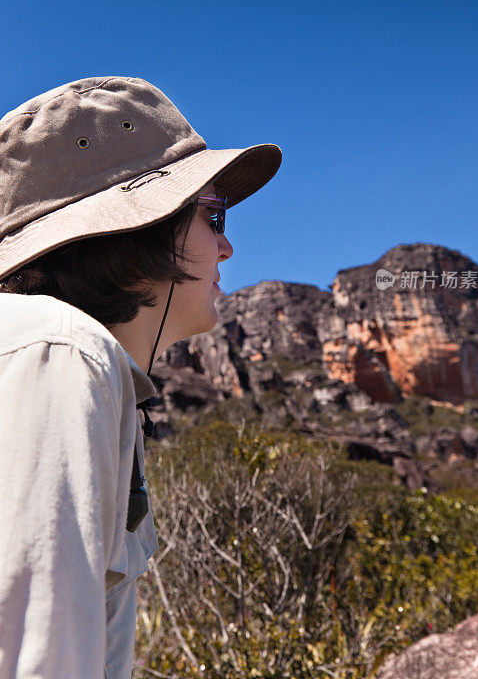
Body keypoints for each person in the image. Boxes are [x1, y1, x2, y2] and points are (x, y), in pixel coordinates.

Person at [0, 76, 282, 678]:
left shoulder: (68, 357)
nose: (226, 248)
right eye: (214, 215)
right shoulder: (59, 350)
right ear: (140, 226)